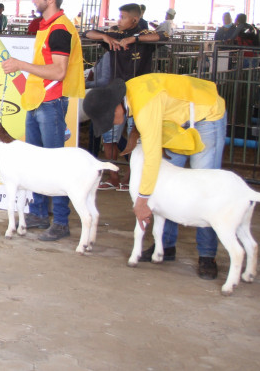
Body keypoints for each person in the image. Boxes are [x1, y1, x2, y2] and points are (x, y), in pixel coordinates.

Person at [83, 74, 226, 280]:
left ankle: (207, 254)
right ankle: (165, 246)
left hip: (207, 113)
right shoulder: (130, 98)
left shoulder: (144, 106)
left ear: (116, 108)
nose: (111, 125)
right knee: (165, 183)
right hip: (176, 118)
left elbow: (152, 157)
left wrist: (142, 201)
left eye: (108, 120)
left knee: (205, 185)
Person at [0, 0, 85, 241]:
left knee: (56, 163)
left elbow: (59, 72)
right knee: (36, 162)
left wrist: (20, 65)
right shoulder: (47, 26)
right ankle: (37, 211)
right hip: (39, 102)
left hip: (51, 103)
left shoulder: (60, 28)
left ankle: (60, 221)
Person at [83, 3, 168, 190]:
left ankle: (130, 179)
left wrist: (134, 39)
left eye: (122, 17)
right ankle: (113, 177)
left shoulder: (143, 37)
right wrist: (105, 36)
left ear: (135, 19)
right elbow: (87, 33)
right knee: (109, 135)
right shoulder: (116, 35)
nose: (118, 20)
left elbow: (164, 35)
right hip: (116, 93)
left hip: (140, 94)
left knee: (136, 136)